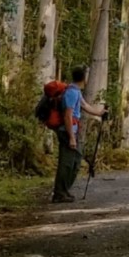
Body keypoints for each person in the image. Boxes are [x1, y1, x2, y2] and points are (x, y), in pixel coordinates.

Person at [47, 66, 87, 202]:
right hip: (67, 132)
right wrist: (71, 137)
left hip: (72, 131)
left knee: (75, 162)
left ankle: (64, 191)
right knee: (67, 163)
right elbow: (67, 116)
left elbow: (85, 106)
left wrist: (100, 112)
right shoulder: (71, 92)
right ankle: (59, 194)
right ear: (83, 77)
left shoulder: (76, 91)